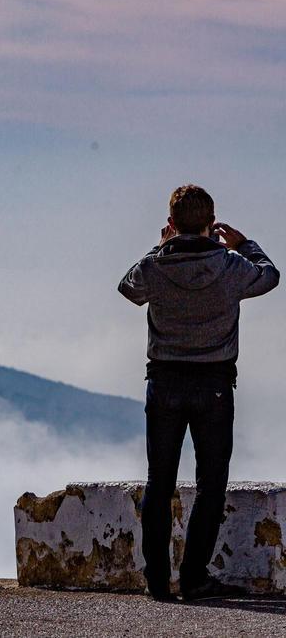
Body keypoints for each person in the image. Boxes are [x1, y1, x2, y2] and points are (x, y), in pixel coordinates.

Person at [119, 185, 278, 602]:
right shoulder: (230, 265)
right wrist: (246, 244)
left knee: (160, 480)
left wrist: (159, 250)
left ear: (171, 225)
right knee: (210, 483)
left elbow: (127, 288)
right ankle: (194, 578)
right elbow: (271, 276)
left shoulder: (156, 268)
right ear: (212, 225)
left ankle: (158, 581)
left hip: (165, 382)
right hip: (215, 386)